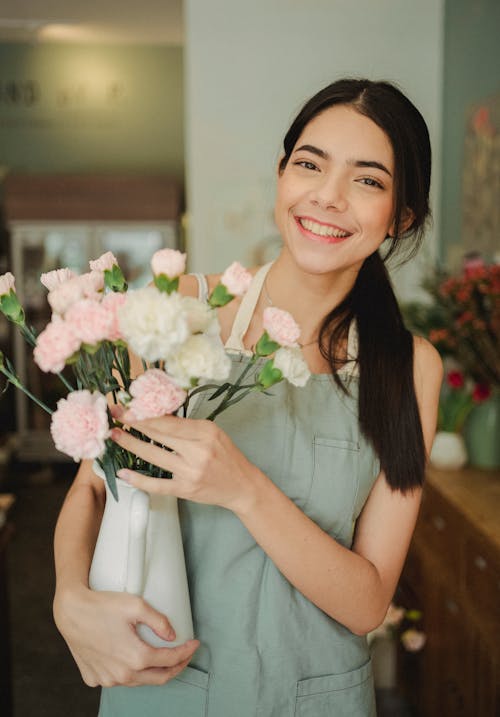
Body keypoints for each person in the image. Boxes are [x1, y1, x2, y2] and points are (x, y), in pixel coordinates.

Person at [53, 78, 442, 716]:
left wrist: (243, 488)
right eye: (309, 165)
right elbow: (95, 488)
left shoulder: (410, 367)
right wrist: (68, 597)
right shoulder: (176, 313)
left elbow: (368, 602)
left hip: (317, 699)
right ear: (282, 175)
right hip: (166, 690)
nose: (328, 196)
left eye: (367, 180)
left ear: (401, 215)